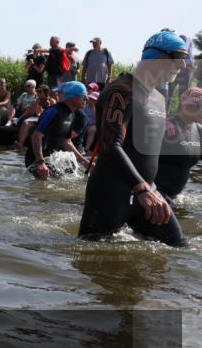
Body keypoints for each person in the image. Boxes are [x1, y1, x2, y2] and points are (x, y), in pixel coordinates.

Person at [78, 31, 189, 246]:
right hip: (112, 191)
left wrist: (152, 187)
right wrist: (141, 189)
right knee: (92, 256)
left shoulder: (158, 97)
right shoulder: (121, 91)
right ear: (157, 57)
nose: (183, 65)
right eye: (178, 57)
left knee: (179, 249)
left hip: (148, 191)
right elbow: (111, 146)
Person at [25, 81, 89, 179]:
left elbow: (66, 142)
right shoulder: (53, 111)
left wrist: (86, 163)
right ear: (72, 97)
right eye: (84, 97)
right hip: (36, 160)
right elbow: (36, 136)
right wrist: (40, 163)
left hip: (52, 158)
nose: (87, 99)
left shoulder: (72, 115)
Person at [155, 87, 202, 202]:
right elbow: (140, 161)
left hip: (176, 198)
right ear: (189, 106)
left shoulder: (199, 130)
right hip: (156, 195)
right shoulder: (167, 128)